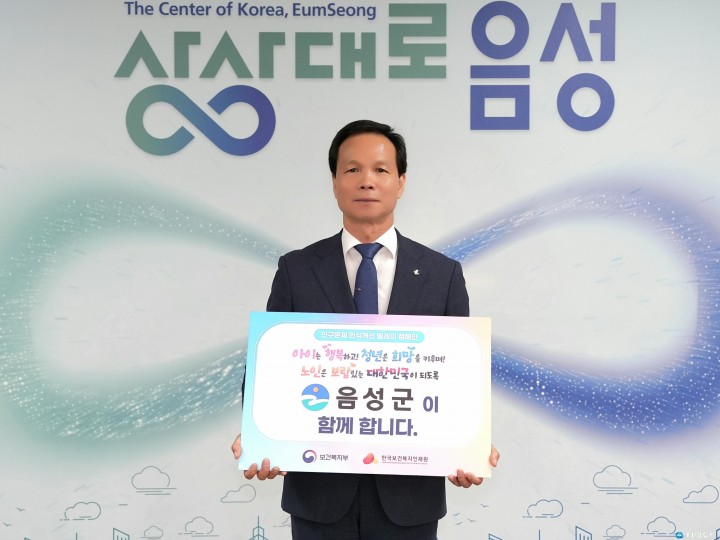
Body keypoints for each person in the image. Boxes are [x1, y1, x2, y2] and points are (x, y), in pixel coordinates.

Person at [232, 119, 500, 539]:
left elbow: (460, 377)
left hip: (409, 496)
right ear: (335, 182)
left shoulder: (442, 274)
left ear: (401, 182)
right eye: (352, 169)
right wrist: (259, 436)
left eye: (380, 169)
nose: (366, 181)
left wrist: (469, 444)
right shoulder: (297, 269)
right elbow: (268, 364)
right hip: (318, 493)